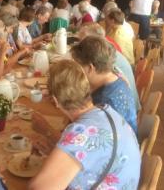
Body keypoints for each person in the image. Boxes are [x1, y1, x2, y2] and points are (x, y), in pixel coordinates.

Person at [28, 60, 141, 190]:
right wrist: (57, 154)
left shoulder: (81, 132)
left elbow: (38, 188)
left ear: (55, 101)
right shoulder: (105, 110)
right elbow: (91, 152)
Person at [71, 36, 137, 133]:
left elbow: (90, 135)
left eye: (78, 66)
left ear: (90, 68)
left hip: (115, 143)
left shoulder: (104, 101)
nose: (76, 71)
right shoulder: (116, 78)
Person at [77, 24, 140, 112]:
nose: (79, 46)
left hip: (125, 112)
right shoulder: (107, 52)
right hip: (128, 106)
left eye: (82, 43)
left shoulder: (105, 61)